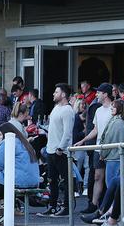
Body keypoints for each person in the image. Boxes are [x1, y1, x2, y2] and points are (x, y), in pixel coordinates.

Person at [0, 122, 40, 226]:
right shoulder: (25, 143)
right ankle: (2, 209)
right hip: (33, 181)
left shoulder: (6, 142)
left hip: (18, 181)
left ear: (2, 134)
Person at [75, 83, 114, 215]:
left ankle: (109, 207)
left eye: (99, 92)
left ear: (105, 94)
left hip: (112, 148)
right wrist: (83, 141)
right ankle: (94, 204)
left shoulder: (114, 108)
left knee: (111, 178)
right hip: (99, 147)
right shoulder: (98, 110)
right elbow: (96, 130)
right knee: (98, 176)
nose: (96, 94)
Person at [37, 83, 75, 217]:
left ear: (63, 94)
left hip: (61, 151)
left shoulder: (67, 110)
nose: (53, 94)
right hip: (51, 149)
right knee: (52, 180)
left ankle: (66, 207)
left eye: (56, 92)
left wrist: (61, 147)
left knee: (65, 180)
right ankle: (52, 206)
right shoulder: (56, 108)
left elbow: (67, 132)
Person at [100, 99, 124, 190]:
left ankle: (114, 205)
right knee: (118, 187)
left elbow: (108, 140)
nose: (111, 108)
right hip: (120, 158)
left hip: (113, 159)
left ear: (119, 108)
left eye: (114, 106)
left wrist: (102, 154)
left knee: (111, 186)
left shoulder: (116, 122)